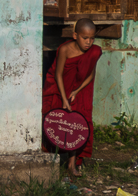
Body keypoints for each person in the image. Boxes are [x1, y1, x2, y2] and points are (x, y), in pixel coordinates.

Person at [42, 17, 102, 175]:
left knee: (78, 125)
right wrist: (64, 98)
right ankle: (50, 161)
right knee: (56, 121)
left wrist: (76, 91)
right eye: (85, 38)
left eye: (92, 38)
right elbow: (58, 74)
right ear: (75, 36)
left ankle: (72, 164)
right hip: (60, 88)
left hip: (80, 90)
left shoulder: (94, 52)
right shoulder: (65, 50)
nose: (88, 42)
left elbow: (90, 75)